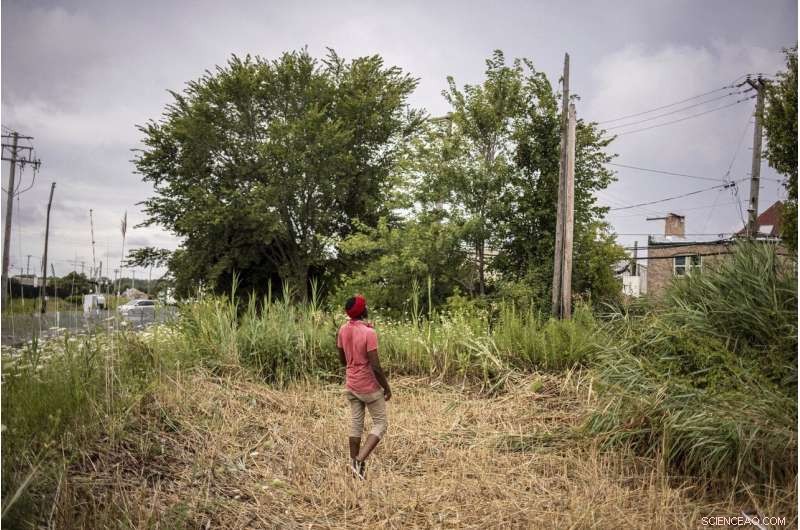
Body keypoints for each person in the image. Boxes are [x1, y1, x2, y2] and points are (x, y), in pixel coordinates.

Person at [337, 294, 391, 480]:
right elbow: (375, 365)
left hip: (351, 384)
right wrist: (386, 386)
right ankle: (359, 460)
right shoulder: (369, 333)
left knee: (356, 424)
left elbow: (343, 359)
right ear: (363, 311)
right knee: (381, 423)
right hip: (368, 386)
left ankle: (355, 469)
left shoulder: (343, 329)